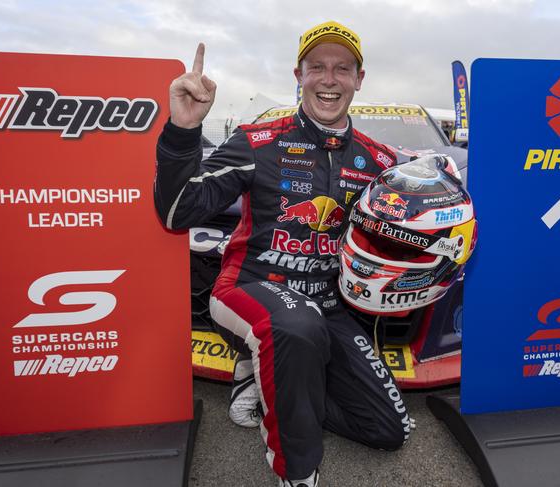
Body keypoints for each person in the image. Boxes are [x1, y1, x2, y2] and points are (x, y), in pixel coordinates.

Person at [154, 20, 410, 487]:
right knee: (295, 324)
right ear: (299, 75)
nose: (328, 79)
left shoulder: (380, 162)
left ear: (359, 79)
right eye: (317, 67)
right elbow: (177, 212)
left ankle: (273, 379)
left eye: (342, 69)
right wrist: (182, 131)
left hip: (328, 308)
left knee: (387, 430)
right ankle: (296, 474)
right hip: (247, 289)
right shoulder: (258, 140)